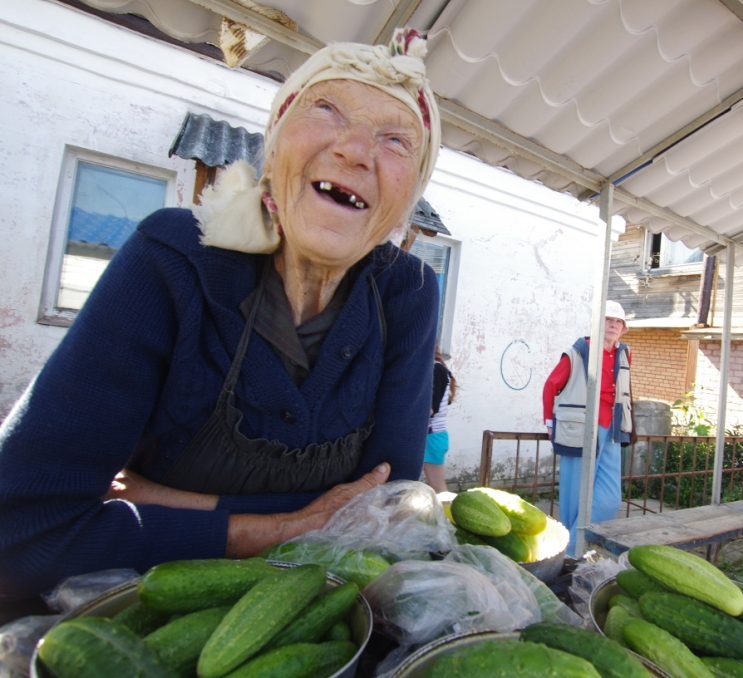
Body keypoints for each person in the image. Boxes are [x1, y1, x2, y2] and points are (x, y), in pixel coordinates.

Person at [0, 30, 443, 596]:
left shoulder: (407, 292)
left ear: (410, 196)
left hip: (316, 618)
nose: (355, 151)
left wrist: (170, 502)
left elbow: (388, 512)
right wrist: (294, 526)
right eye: (328, 109)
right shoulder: (174, 260)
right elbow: (22, 529)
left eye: (396, 140)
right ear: (275, 142)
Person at [543, 301, 632, 554]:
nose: (614, 325)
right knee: (574, 494)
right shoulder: (581, 351)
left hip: (613, 428)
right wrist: (550, 422)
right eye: (608, 320)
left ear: (624, 328)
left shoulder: (624, 353)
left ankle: (572, 543)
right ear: (597, 323)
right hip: (580, 429)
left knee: (610, 498)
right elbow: (551, 385)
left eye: (618, 322)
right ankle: (570, 551)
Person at [423, 352, 456, 493]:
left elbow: (431, 409)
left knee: (438, 489)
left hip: (432, 436)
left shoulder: (436, 369)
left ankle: (447, 515)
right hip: (431, 436)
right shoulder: (433, 368)